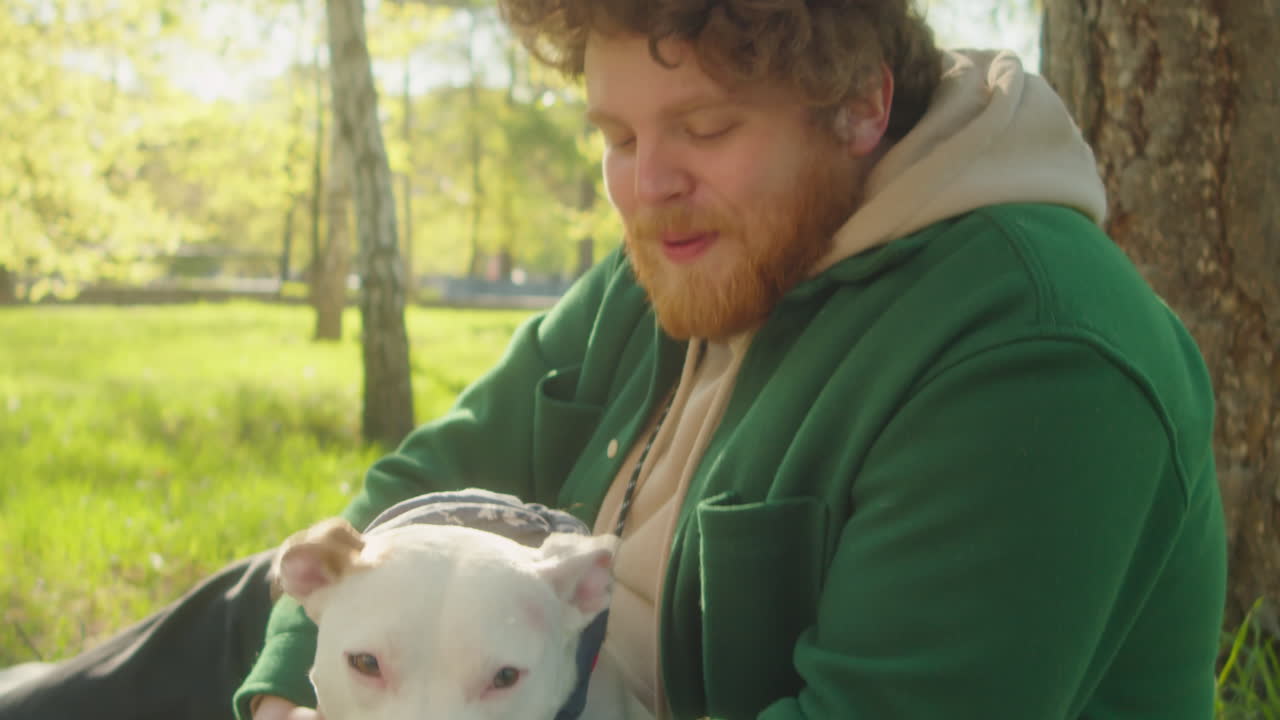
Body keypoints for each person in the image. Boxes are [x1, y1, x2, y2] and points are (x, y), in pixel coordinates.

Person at [0, 1, 1227, 718]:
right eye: (617, 134)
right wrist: (288, 694)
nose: (646, 185)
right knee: (219, 622)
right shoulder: (694, 248)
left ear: (858, 107)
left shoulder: (1036, 355)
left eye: (702, 128)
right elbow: (415, 491)